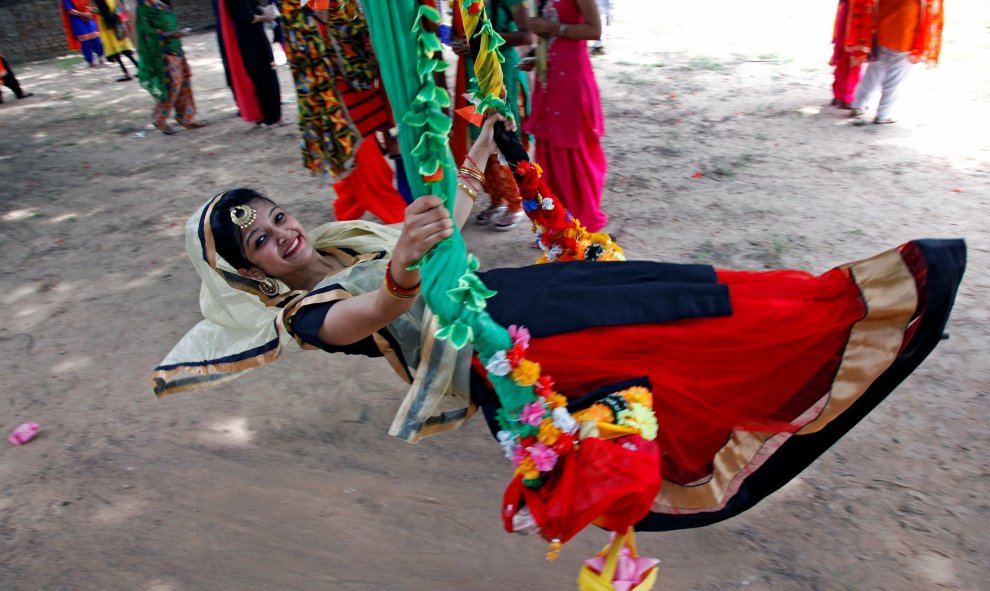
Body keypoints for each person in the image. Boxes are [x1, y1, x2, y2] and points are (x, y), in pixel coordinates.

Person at [151, 112, 965, 538]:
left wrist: (480, 147)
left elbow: (451, 217)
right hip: (510, 351)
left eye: (273, 214)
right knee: (683, 336)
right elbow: (381, 308)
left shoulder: (346, 237)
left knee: (692, 293)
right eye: (258, 238)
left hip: (537, 302)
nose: (280, 232)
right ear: (248, 270)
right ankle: (857, 325)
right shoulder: (308, 314)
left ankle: (853, 303)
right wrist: (403, 262)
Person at [280, 0, 408, 224]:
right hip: (333, 103)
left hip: (358, 90)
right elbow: (308, 57)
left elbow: (359, 34)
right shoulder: (295, 8)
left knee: (353, 174)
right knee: (365, 170)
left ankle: (347, 221)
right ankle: (401, 222)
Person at [525, 0, 609, 233]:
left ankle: (578, 221)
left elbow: (594, 30)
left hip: (571, 77)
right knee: (548, 148)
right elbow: (548, 34)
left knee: (572, 147)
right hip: (549, 76)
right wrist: (535, 55)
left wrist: (552, 28)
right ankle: (556, 221)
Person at [450, 0, 534, 231]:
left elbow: (527, 36)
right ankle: (497, 199)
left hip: (501, 74)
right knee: (479, 137)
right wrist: (459, 43)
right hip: (472, 73)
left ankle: (516, 203)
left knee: (502, 136)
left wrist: (480, 42)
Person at [846, 0, 944, 124]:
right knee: (894, 78)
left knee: (874, 71)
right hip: (905, 31)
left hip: (881, 27)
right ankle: (883, 114)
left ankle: (857, 104)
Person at [135, 0, 208, 135]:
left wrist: (176, 34)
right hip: (163, 52)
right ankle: (160, 118)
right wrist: (166, 34)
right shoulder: (144, 7)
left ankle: (186, 117)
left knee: (184, 81)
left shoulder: (162, 2)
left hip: (176, 48)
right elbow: (145, 32)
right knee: (172, 85)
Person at [216, 0, 282, 126]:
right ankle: (272, 116)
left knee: (255, 75)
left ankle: (261, 115)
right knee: (266, 75)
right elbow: (247, 16)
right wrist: (266, 17)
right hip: (252, 37)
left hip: (243, 38)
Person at [93, 0, 139, 81]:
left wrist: (95, 10)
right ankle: (139, 68)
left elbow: (102, 11)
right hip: (117, 23)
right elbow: (118, 7)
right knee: (124, 49)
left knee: (115, 50)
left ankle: (126, 73)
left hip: (107, 26)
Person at [829, 0, 863, 109]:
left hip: (848, 11)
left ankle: (840, 94)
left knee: (846, 57)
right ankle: (847, 97)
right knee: (854, 58)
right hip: (857, 14)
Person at [61, 0, 106, 67]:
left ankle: (100, 56)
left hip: (88, 18)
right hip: (78, 21)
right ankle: (90, 61)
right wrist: (83, 14)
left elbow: (88, 5)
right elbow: (70, 10)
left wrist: (90, 13)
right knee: (85, 42)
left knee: (96, 38)